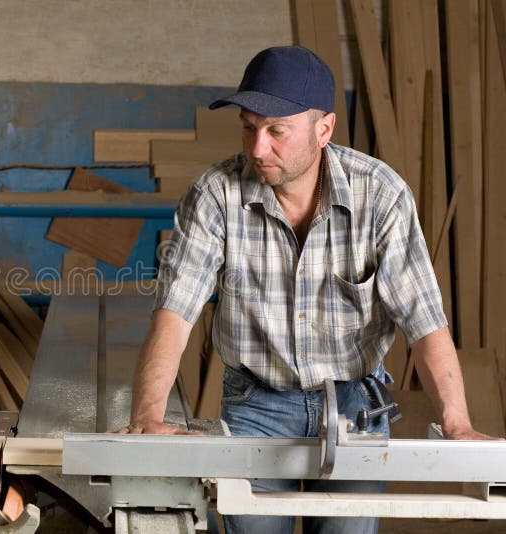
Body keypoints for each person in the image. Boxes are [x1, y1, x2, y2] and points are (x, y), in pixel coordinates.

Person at [115, 45, 497, 533]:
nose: (257, 148)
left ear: (324, 129)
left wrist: (457, 423)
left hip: (355, 407)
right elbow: (175, 312)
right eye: (249, 127)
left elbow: (424, 321)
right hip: (256, 404)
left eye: (277, 131)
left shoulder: (380, 195)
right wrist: (148, 415)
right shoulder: (216, 194)